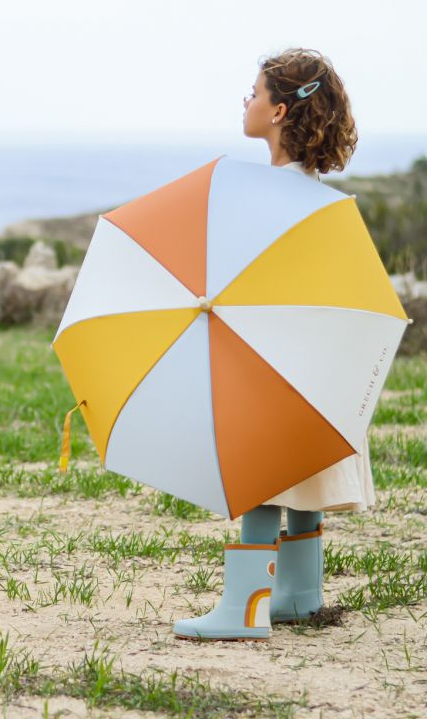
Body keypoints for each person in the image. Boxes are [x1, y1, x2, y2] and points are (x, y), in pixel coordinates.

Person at [174, 48, 364, 640]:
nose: (247, 101)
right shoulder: (325, 201)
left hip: (267, 359)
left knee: (258, 478)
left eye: (254, 92)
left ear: (279, 111)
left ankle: (244, 608)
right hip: (316, 363)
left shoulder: (262, 194)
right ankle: (300, 594)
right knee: (298, 473)